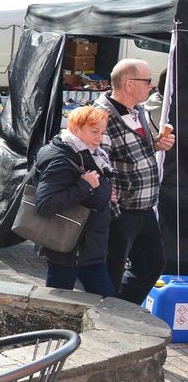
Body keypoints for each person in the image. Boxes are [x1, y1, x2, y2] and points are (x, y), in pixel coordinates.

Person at [95, 59, 176, 304]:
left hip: (144, 207)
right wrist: (115, 209)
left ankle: (122, 309)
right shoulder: (102, 116)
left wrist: (155, 144)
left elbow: (131, 152)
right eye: (147, 80)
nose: (151, 86)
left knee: (152, 264)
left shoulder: (136, 109)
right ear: (129, 84)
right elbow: (99, 163)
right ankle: (105, 317)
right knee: (112, 268)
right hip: (122, 210)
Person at [33, 106, 114, 296]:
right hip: (70, 247)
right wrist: (85, 186)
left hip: (84, 248)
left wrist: (105, 191)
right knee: (61, 302)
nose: (99, 138)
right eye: (94, 131)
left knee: (101, 300)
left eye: (102, 132)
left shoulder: (83, 152)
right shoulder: (62, 158)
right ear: (76, 129)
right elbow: (45, 203)